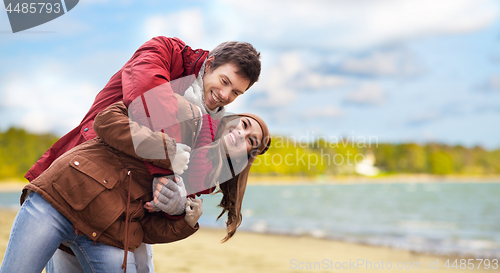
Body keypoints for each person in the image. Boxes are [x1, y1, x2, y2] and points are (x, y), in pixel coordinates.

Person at [22, 36, 261, 272]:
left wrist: (180, 212)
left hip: (122, 212)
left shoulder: (209, 132)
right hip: (78, 181)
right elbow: (144, 98)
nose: (225, 94)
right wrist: (165, 165)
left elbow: (162, 204)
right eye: (224, 81)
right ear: (209, 64)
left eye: (236, 93)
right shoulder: (166, 52)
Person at [0, 96, 271, 273]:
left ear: (246, 156)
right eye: (245, 124)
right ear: (232, 117)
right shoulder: (189, 115)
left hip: (108, 232)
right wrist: (165, 150)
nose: (242, 134)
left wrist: (182, 220)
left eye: (251, 141)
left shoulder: (205, 182)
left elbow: (145, 224)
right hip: (63, 198)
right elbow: (107, 118)